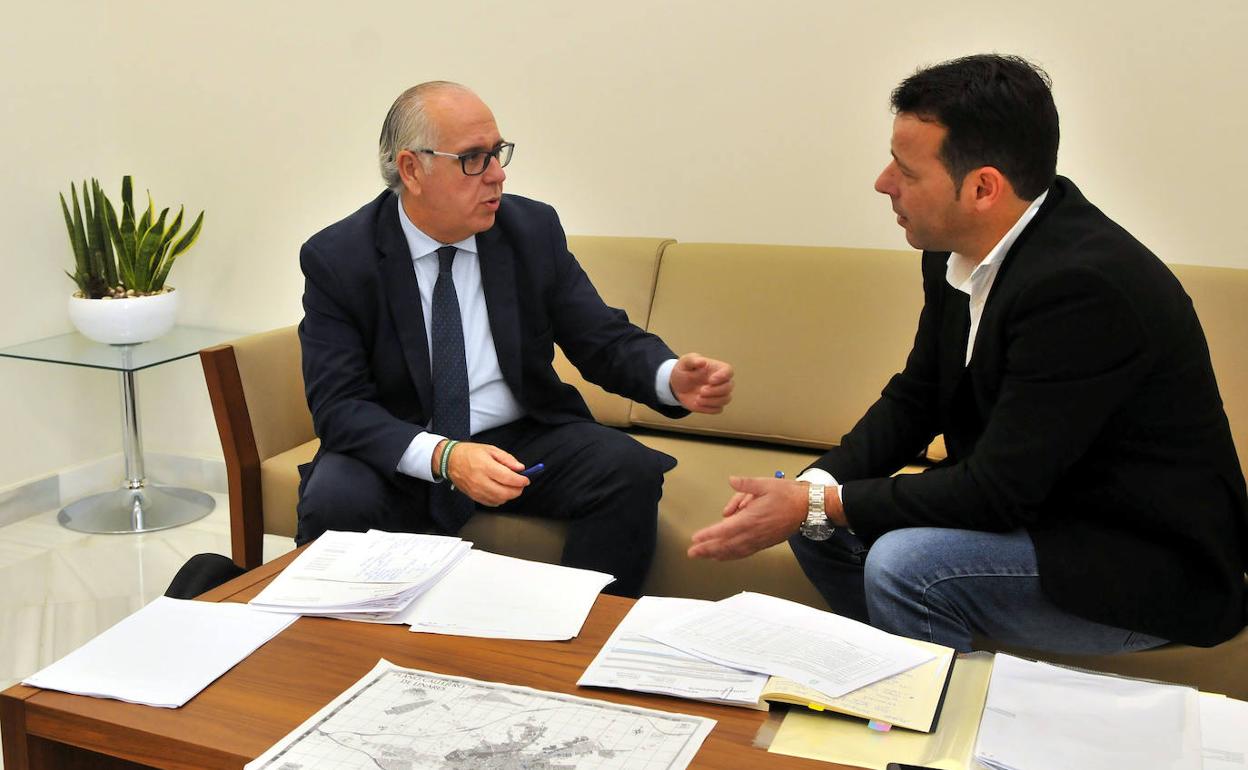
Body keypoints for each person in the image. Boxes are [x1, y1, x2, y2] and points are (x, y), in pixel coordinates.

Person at [688, 54, 1247, 654]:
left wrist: (815, 501)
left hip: (1138, 559)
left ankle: (934, 733)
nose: (883, 182)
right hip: (1035, 520)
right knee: (816, 524)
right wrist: (812, 487)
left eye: (905, 170)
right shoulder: (958, 247)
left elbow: (999, 490)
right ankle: (903, 679)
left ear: (983, 187)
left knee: (905, 562)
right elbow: (918, 395)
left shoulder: (1086, 288)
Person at [297, 81, 733, 597]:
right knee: (335, 498)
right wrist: (445, 457)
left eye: (498, 154)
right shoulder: (339, 257)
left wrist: (668, 377)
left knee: (628, 469)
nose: (498, 175)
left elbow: (601, 336)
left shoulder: (530, 229)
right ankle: (333, 653)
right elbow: (339, 405)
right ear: (412, 169)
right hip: (406, 442)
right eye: (474, 159)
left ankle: (582, 642)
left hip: (521, 438)